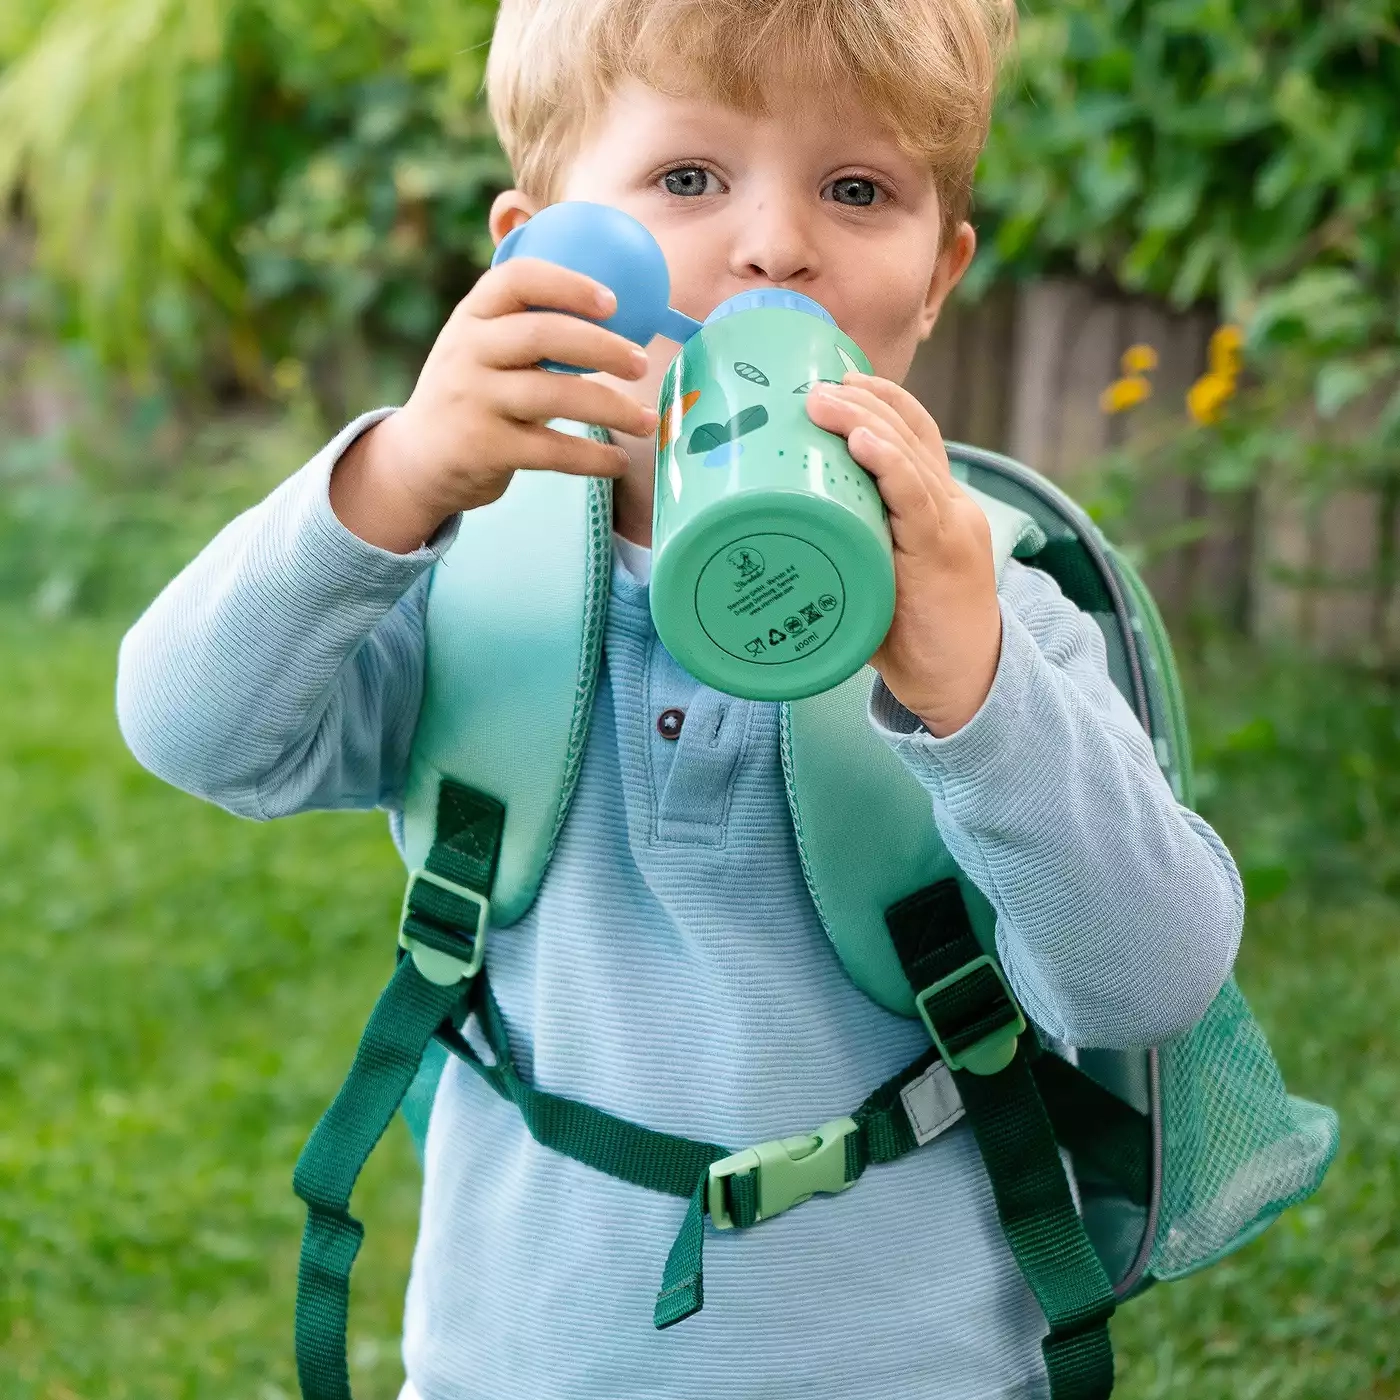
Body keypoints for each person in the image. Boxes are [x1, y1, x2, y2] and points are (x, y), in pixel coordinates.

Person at [115, 0, 1245, 1395]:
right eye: (690, 180)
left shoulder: (994, 608)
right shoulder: (469, 576)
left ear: (938, 275)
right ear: (534, 255)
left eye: (857, 189)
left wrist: (979, 693)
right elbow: (191, 732)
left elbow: (1150, 983)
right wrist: (396, 477)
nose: (777, 245)